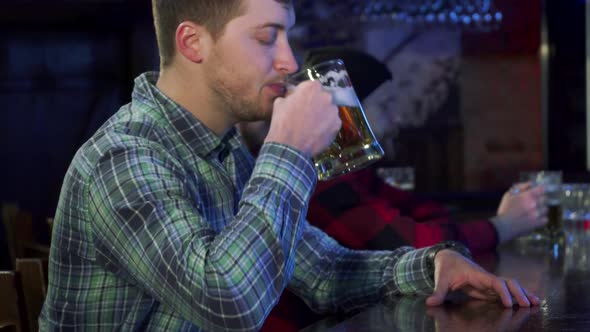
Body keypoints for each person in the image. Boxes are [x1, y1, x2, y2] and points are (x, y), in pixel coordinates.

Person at [40, 1, 539, 330]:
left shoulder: (222, 150)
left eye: (287, 37)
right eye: (266, 38)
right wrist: (289, 149)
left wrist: (433, 265)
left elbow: (323, 272)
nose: (288, 60)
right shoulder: (123, 158)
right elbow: (228, 302)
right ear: (193, 43)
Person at [239, 47, 548, 331]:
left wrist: (441, 255)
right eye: (382, 105)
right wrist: (503, 225)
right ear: (347, 112)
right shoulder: (323, 177)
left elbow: (427, 215)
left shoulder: (354, 172)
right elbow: (418, 240)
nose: (395, 116)